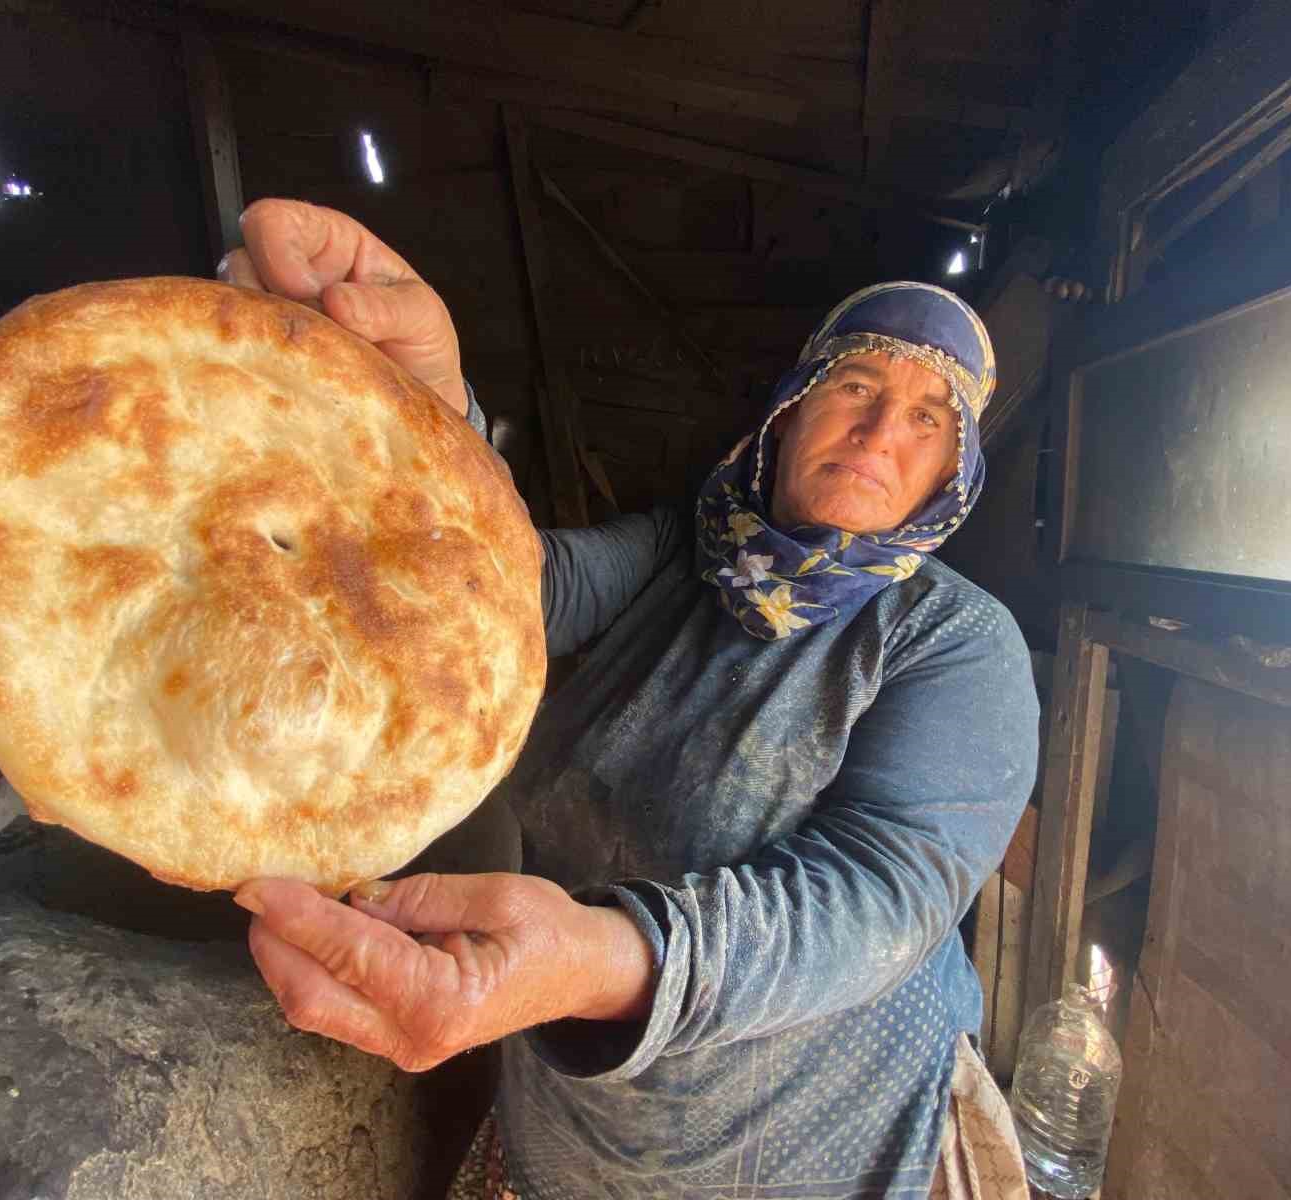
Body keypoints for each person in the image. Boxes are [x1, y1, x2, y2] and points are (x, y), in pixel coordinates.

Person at [222, 199, 1040, 1200]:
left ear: (955, 472)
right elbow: (492, 588)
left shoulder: (952, 643)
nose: (879, 433)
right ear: (789, 410)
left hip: (812, 1141)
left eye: (927, 418)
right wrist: (434, 405)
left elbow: (873, 901)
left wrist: (599, 959)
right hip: (580, 1120)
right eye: (856, 384)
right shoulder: (672, 558)